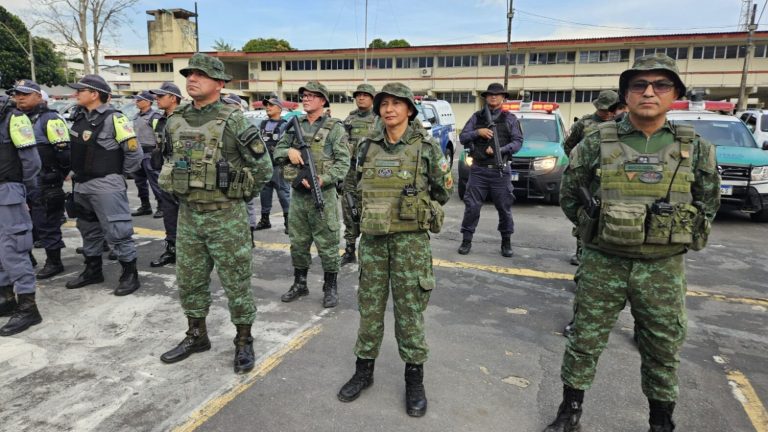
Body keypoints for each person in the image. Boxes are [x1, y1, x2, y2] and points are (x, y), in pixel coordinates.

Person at [542, 54, 720, 432]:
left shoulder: (696, 147)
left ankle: (660, 421)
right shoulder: (595, 143)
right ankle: (569, 413)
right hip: (604, 261)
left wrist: (674, 232)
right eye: (639, 85)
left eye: (660, 85)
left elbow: (708, 202)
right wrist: (602, 230)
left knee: (661, 348)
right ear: (626, 95)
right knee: (585, 341)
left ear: (675, 95)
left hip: (663, 267)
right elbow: (570, 195)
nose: (649, 92)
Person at [336, 82, 452, 417]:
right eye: (384, 104)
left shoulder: (425, 147)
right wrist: (353, 232)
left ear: (409, 110)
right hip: (373, 241)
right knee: (369, 308)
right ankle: (364, 371)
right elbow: (352, 189)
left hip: (409, 243)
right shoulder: (366, 146)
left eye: (396, 104)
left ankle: (414, 377)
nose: (388, 109)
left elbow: (444, 190)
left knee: (409, 312)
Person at [157, 53, 272, 374]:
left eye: (201, 75)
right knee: (189, 279)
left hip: (226, 217)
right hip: (189, 214)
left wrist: (236, 195)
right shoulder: (175, 119)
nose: (192, 79)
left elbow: (262, 169)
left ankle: (244, 340)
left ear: (220, 83)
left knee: (236, 281)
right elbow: (168, 157)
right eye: (190, 74)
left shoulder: (235, 121)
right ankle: (196, 335)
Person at [273, 81, 350, 308]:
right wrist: (289, 150)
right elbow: (277, 152)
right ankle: (300, 283)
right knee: (298, 242)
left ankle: (330, 286)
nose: (306, 99)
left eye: (312, 96)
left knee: (327, 243)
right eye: (304, 96)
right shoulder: (294, 124)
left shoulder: (335, 127)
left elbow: (343, 163)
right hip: (298, 197)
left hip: (323, 196)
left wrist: (322, 179)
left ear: (323, 100)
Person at [65, 74, 143, 296]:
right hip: (81, 185)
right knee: (88, 229)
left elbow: (134, 153)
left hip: (106, 184)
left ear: (94, 94)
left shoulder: (114, 118)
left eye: (80, 90)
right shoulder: (79, 116)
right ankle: (92, 270)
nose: (76, 94)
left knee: (118, 230)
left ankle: (130, 274)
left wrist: (117, 174)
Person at [8, 80, 71, 280]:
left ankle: (54, 261)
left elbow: (64, 154)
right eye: (17, 94)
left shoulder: (50, 119)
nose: (20, 98)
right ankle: (28, 258)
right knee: (22, 225)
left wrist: (57, 176)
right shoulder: (15, 119)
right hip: (20, 183)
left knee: (47, 222)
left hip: (45, 181)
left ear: (38, 96)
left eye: (25, 94)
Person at [457, 83, 523, 257]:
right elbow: (463, 137)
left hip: (500, 171)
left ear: (503, 97)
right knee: (472, 207)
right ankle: (466, 240)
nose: (494, 97)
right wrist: (478, 132)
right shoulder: (476, 117)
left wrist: (499, 150)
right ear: (486, 97)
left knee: (504, 208)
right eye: (490, 94)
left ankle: (506, 242)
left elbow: (518, 142)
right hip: (479, 170)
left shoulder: (510, 119)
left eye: (497, 94)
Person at [0, 94, 43, 336]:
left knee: (13, 249)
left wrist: (17, 188)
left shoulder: (14, 118)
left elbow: (32, 163)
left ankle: (28, 307)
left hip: (7, 191)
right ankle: (6, 298)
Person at [340, 83, 377, 266]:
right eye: (358, 95)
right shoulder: (350, 119)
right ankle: (349, 249)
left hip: (371, 173)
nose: (361, 97)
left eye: (365, 95)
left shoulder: (379, 118)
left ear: (372, 98)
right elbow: (342, 144)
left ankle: (369, 250)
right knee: (349, 208)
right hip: (351, 172)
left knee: (370, 209)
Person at [147, 82, 183, 267]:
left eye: (160, 96)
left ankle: (190, 253)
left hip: (185, 175)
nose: (156, 99)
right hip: (166, 174)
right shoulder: (160, 120)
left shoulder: (186, 119)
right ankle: (172, 249)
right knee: (169, 214)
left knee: (188, 215)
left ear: (173, 98)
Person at [253, 96, 290, 234]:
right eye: (266, 105)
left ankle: (288, 222)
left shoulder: (285, 125)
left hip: (279, 167)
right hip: (264, 166)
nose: (268, 107)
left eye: (271, 105)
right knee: (265, 194)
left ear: (279, 109)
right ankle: (265, 220)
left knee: (284, 194)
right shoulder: (262, 124)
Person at [130, 91, 164, 218]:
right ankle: (145, 206)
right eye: (136, 100)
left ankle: (162, 207)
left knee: (155, 182)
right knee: (140, 182)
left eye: (139, 100)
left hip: (150, 153)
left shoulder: (154, 117)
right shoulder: (136, 116)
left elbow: (160, 135)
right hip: (138, 153)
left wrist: (158, 152)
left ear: (148, 102)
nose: (136, 102)